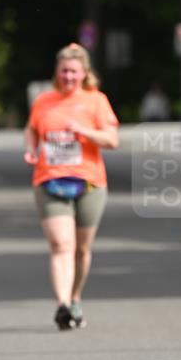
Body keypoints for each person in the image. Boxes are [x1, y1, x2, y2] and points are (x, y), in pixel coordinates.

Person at [24, 42, 119, 329]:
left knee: (81, 249)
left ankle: (75, 296)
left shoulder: (96, 100)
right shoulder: (44, 100)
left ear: (84, 73)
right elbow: (32, 129)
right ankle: (63, 305)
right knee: (60, 244)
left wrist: (83, 132)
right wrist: (31, 148)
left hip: (89, 183)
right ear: (57, 72)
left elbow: (112, 140)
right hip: (49, 179)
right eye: (64, 71)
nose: (68, 77)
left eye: (74, 72)